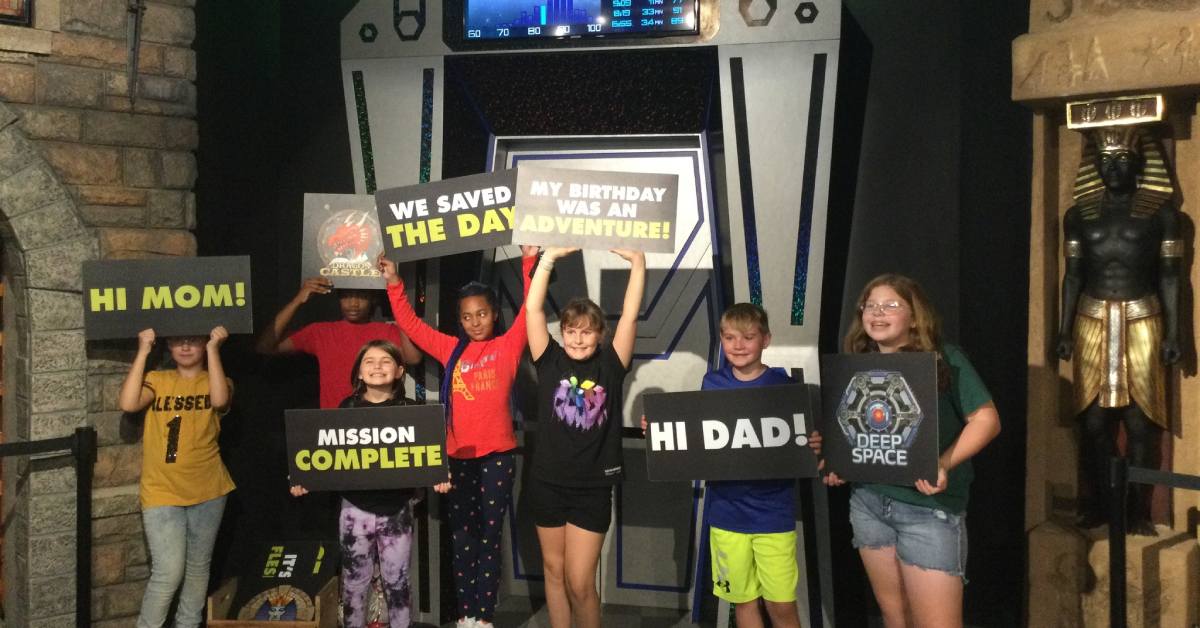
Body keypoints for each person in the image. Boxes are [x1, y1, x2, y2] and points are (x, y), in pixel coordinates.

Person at [827, 274, 1001, 628]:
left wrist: (943, 463)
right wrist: (835, 458)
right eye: (870, 305)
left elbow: (987, 420)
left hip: (928, 511)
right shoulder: (857, 363)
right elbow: (852, 430)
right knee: (896, 617)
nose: (877, 313)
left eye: (891, 305)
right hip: (869, 503)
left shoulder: (943, 358)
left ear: (916, 316)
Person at [379, 247, 538, 628]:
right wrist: (393, 282)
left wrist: (530, 261)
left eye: (481, 313)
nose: (475, 321)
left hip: (498, 456)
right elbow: (412, 326)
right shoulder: (452, 349)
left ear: (494, 314)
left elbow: (532, 306)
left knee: (488, 537)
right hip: (457, 458)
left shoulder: (507, 346)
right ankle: (466, 613)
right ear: (460, 321)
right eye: (467, 317)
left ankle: (483, 616)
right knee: (462, 538)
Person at [1056, 125, 1181, 533]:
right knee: (1092, 423)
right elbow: (1072, 275)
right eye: (1105, 160)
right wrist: (1063, 328)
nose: (1113, 168)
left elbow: (1171, 278)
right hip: (1090, 319)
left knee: (1141, 422)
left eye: (1123, 160)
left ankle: (1137, 511)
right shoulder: (1078, 216)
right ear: (1095, 167)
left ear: (1140, 166)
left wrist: (1176, 332)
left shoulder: (1163, 216)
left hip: (1143, 318)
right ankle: (1102, 506)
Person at [524, 247, 645, 628]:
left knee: (580, 584)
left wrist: (638, 263)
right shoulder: (549, 359)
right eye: (571, 331)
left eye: (587, 331)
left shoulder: (611, 364)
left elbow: (629, 314)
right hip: (546, 483)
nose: (577, 339)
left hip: (592, 488)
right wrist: (548, 260)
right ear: (563, 332)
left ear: (599, 334)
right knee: (554, 573)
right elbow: (532, 311)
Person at [290, 340, 447, 628]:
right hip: (354, 511)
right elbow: (327, 455)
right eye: (369, 361)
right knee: (353, 582)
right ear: (359, 373)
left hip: (397, 510)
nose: (377, 367)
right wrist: (305, 478)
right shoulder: (346, 409)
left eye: (385, 361)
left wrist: (438, 476)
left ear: (400, 370)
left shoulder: (411, 410)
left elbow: (429, 456)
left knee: (397, 581)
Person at [119, 326, 234, 628]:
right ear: (168, 345)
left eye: (193, 340)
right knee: (168, 573)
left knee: (198, 570)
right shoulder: (158, 380)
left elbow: (220, 401)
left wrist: (213, 350)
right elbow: (129, 403)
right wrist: (143, 351)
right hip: (161, 491)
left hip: (208, 488)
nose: (185, 346)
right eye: (178, 341)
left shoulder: (218, 380)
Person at [256, 277, 421, 409]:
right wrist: (298, 300)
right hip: (334, 427)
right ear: (339, 298)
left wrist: (399, 311)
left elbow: (413, 359)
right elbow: (264, 347)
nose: (353, 303)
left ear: (373, 300)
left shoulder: (387, 331)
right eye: (347, 296)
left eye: (361, 296)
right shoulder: (320, 332)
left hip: (378, 418)